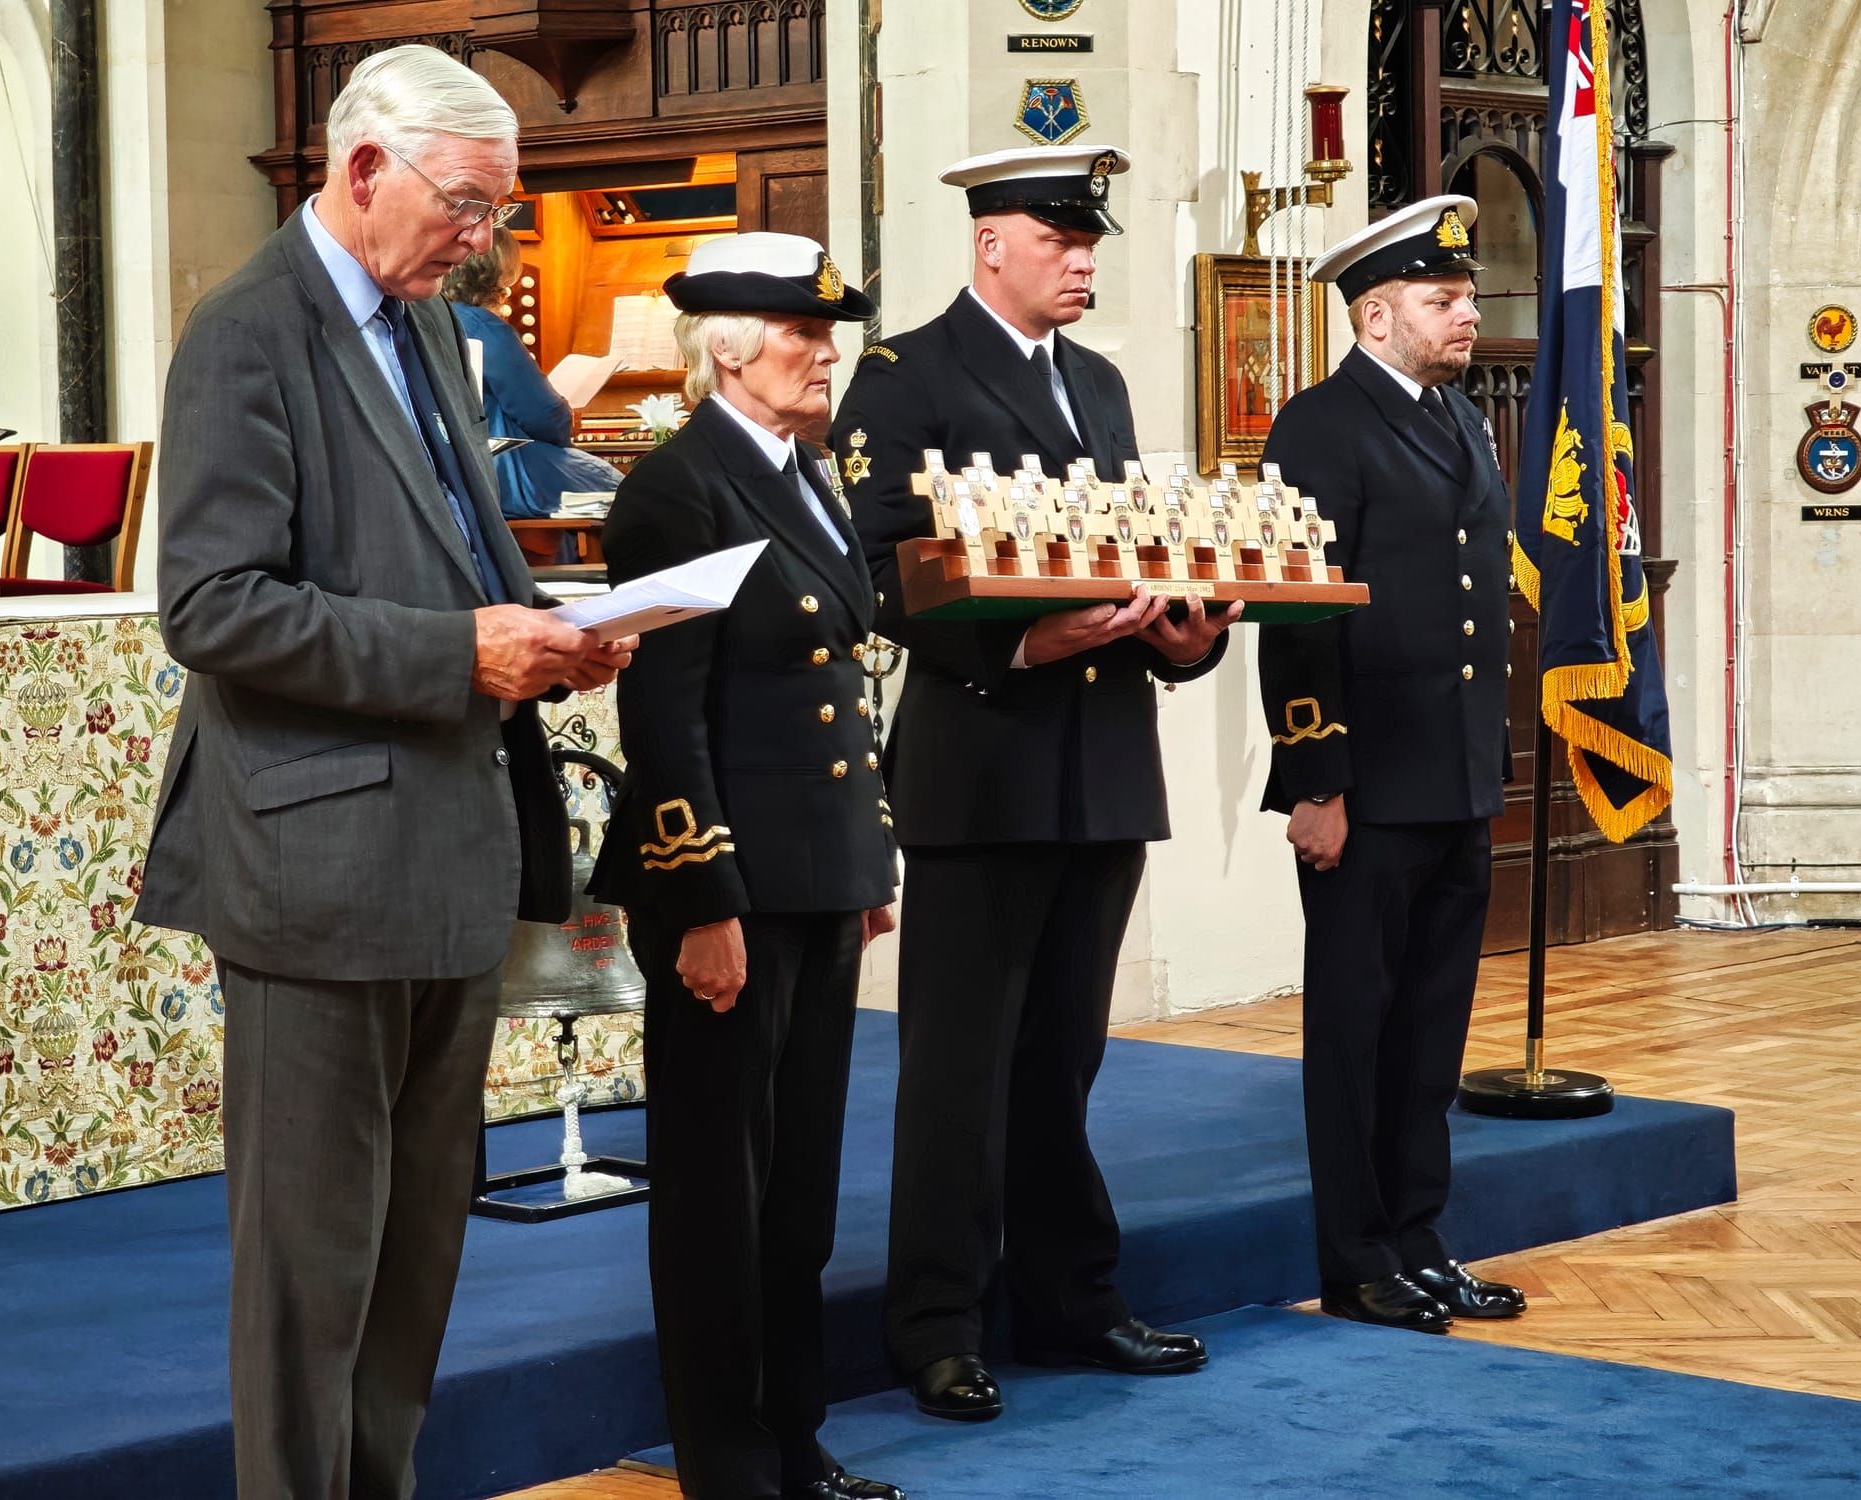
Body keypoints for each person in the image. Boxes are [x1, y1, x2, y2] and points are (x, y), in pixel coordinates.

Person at [134, 45, 634, 1497]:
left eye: (499, 210)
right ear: (366, 171)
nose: (485, 242)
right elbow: (213, 609)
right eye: (470, 207)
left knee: (415, 1271)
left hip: (450, 857)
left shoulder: (420, 325)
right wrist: (457, 658)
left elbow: (454, 558)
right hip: (314, 870)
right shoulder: (247, 332)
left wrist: (556, 633)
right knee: (309, 1283)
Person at [829, 144, 1238, 1422]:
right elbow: (875, 563)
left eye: (1089, 242)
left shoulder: (1101, 384)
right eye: (1058, 239)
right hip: (982, 755)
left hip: (1099, 759)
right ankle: (937, 1321)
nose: (1081, 259)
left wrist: (1189, 639)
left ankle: (1069, 1299)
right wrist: (1013, 639)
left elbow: (1138, 548)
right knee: (960, 1065)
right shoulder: (905, 374)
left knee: (1062, 1058)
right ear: (988, 242)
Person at [587, 233, 904, 1500]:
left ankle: (793, 1437)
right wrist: (704, 899)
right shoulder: (677, 487)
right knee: (722, 1195)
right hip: (728, 889)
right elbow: (668, 717)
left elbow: (838, 686)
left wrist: (865, 859)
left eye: (827, 333)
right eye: (797, 333)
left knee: (801, 1192)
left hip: (818, 879)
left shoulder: (807, 473)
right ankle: (727, 1461)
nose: (824, 353)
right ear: (724, 346)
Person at [1256, 194, 1527, 1335]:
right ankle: (1357, 1255)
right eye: (1441, 298)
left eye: (1464, 296)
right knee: (1357, 1031)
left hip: (1453, 775)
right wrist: (1315, 779)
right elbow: (1296, 617)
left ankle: (1418, 1236)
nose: (1466, 313)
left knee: (1429, 1030)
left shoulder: (1456, 419)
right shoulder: (1320, 425)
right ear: (1375, 314)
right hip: (1365, 786)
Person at [442, 228, 624, 532]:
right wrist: (567, 420)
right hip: (503, 471)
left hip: (458, 467)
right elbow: (543, 414)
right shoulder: (487, 328)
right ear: (499, 272)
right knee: (618, 487)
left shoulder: (433, 316)